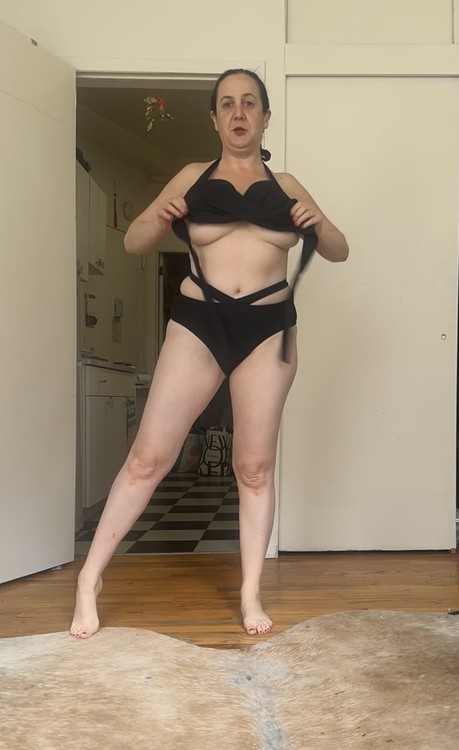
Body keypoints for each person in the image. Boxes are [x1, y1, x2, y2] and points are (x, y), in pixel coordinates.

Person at [70, 68, 349, 639]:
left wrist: (319, 224)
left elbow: (340, 250)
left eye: (249, 103)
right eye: (227, 104)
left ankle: (250, 593)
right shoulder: (192, 177)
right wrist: (160, 215)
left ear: (265, 117)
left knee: (254, 467)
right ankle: (88, 579)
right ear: (215, 119)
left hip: (268, 328)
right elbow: (134, 241)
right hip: (199, 321)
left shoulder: (288, 185)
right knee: (148, 458)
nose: (238, 113)